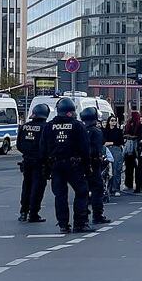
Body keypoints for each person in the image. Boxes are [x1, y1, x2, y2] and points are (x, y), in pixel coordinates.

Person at [41, 97, 94, 233]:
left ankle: (63, 224)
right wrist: (87, 167)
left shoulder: (49, 126)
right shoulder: (77, 126)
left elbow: (43, 148)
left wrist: (46, 168)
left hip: (56, 165)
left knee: (60, 195)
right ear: (71, 112)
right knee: (82, 192)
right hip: (74, 165)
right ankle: (80, 223)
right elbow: (85, 148)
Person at [17, 104, 50, 223]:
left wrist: (28, 153)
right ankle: (33, 213)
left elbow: (19, 145)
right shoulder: (45, 127)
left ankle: (23, 212)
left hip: (26, 161)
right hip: (40, 162)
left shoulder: (24, 127)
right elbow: (47, 146)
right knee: (38, 187)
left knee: (26, 186)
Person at [80, 107, 112, 225]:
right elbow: (98, 148)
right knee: (97, 190)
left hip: (81, 164)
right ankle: (97, 215)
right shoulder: (97, 131)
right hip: (93, 164)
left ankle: (83, 216)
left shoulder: (80, 129)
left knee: (82, 191)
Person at [103, 115, 124, 197]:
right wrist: (111, 142)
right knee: (107, 170)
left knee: (116, 170)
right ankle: (108, 188)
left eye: (115, 120)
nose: (113, 122)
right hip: (107, 150)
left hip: (116, 150)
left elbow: (120, 141)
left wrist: (110, 143)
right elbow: (103, 142)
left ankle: (116, 189)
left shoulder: (118, 131)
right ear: (109, 121)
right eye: (112, 120)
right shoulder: (105, 131)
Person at [123, 111, 142, 192]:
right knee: (132, 167)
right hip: (134, 148)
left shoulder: (130, 124)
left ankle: (130, 184)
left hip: (133, 148)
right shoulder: (135, 124)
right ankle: (134, 185)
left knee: (131, 168)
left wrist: (129, 137)